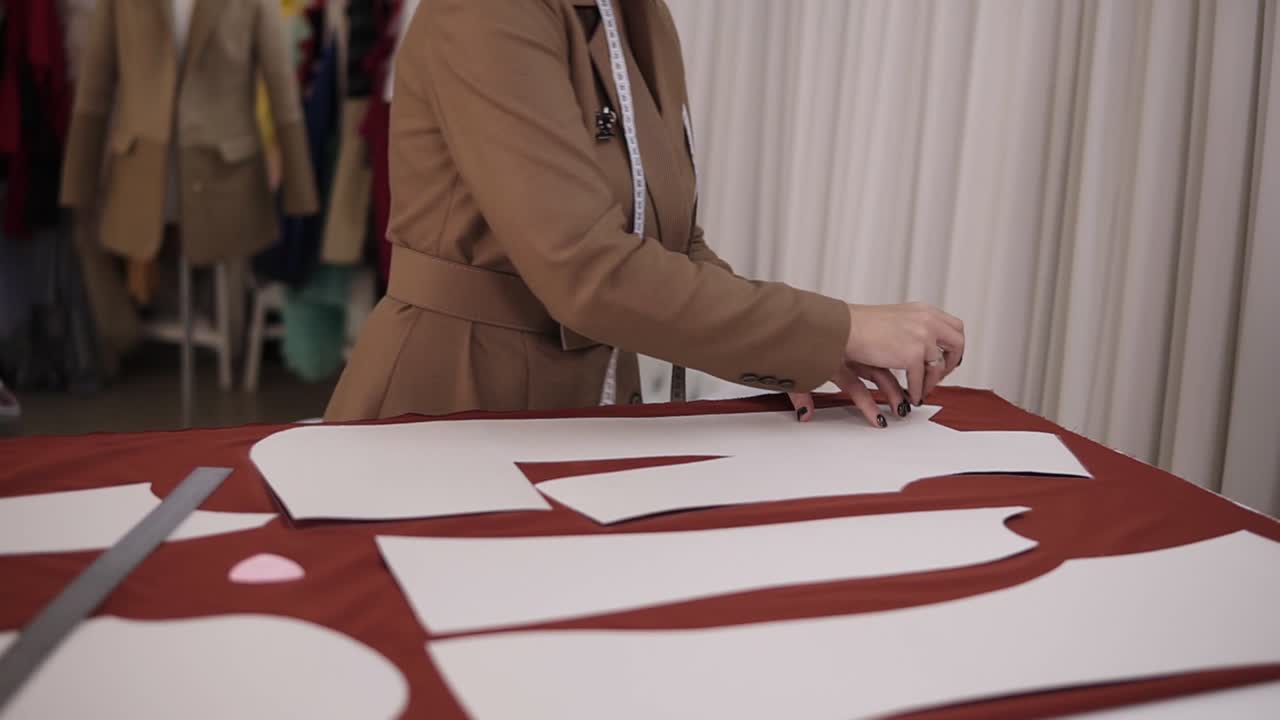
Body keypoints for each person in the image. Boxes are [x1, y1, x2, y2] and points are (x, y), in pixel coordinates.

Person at [325, 0, 964, 427]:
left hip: (589, 406)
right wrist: (836, 328)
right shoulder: (492, 10)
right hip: (456, 401)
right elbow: (587, 269)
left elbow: (673, 242)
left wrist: (808, 344)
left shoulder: (636, 13)